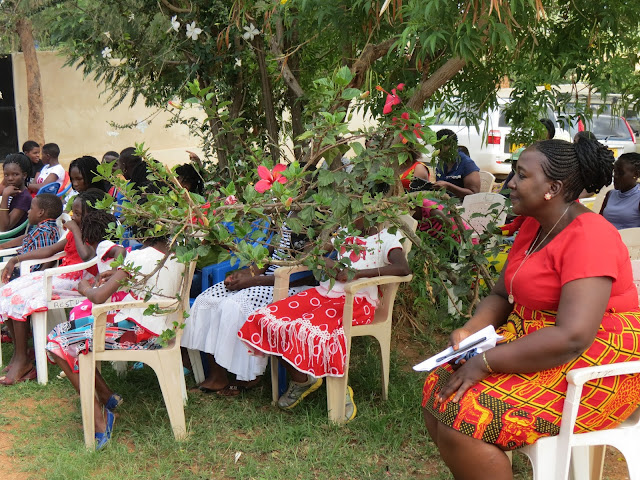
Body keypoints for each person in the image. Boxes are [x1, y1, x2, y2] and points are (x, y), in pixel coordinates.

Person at [421, 138, 640, 480]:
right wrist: (470, 330)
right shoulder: (534, 226)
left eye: (521, 175)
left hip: (596, 359)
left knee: (467, 415)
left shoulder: (590, 237)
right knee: (440, 385)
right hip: (539, 339)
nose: (510, 183)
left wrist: (486, 362)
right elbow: (501, 294)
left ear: (553, 188)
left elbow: (573, 336)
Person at [238, 223, 411, 421]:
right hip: (324, 294)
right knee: (267, 319)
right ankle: (302, 380)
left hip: (358, 302)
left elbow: (403, 268)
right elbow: (311, 252)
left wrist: (356, 274)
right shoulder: (345, 232)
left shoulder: (387, 237)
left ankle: (340, 390)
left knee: (313, 331)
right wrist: (327, 261)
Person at [45, 234, 185, 450]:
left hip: (139, 334)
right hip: (162, 331)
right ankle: (107, 396)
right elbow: (153, 281)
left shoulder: (139, 256)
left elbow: (98, 297)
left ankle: (100, 417)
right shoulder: (180, 256)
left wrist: (84, 288)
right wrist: (120, 276)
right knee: (66, 334)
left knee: (58, 341)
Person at [182, 227, 311, 395]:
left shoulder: (318, 223)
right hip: (265, 280)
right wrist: (245, 273)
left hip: (292, 286)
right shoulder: (286, 216)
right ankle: (217, 375)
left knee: (234, 306)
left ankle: (247, 376)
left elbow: (307, 274)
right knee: (207, 300)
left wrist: (254, 280)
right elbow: (268, 253)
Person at [0, 193, 63, 385]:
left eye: (31, 208)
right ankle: (20, 352)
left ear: (41, 212)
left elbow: (45, 259)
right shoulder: (40, 228)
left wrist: (34, 278)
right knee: (5, 296)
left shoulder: (45, 231)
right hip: (26, 274)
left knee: (13, 296)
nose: (28, 211)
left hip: (34, 278)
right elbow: (26, 239)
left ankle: (22, 358)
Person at [433, 129, 481, 200]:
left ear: (451, 145)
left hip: (461, 203)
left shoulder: (467, 164)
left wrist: (449, 187)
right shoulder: (442, 163)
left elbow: (474, 194)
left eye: (440, 147)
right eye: (436, 148)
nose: (438, 151)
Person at [600, 153, 640, 229]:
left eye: (620, 173)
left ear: (636, 175)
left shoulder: (638, 199)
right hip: (607, 235)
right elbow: (599, 221)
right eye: (615, 171)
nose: (615, 176)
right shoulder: (610, 194)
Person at [0, 154, 33, 231]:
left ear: (24, 175)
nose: (10, 178)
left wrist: (5, 196)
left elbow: (4, 228)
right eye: (6, 175)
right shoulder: (13, 192)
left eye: (15, 174)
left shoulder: (24, 197)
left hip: (11, 236)